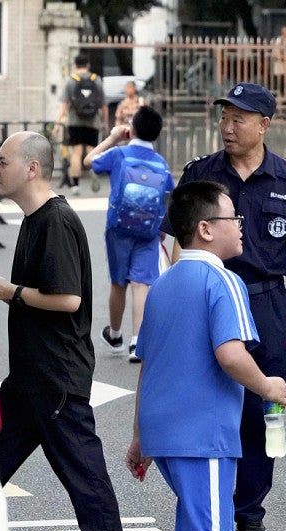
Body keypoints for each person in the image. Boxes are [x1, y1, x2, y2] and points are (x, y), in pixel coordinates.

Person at [0, 131, 139, 531]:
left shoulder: (57, 221)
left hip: (56, 380)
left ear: (32, 168)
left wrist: (8, 292)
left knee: (88, 485)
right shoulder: (34, 219)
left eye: (2, 162)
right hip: (28, 380)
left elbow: (68, 300)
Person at [127, 181, 286, 531]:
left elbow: (148, 364)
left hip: (166, 432)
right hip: (204, 436)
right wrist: (270, 385)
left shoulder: (167, 283)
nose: (240, 226)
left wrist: (139, 438)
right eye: (231, 219)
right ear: (205, 229)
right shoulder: (224, 282)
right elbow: (231, 354)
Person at [163, 82, 286, 531]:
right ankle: (197, 510)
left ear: (264, 125)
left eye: (239, 119)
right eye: (224, 117)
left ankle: (249, 509)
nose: (227, 127)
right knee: (202, 407)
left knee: (263, 407)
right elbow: (179, 243)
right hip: (210, 296)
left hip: (266, 302)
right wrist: (180, 299)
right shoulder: (201, 174)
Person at [84, 106, 176, 363]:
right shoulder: (161, 164)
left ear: (131, 129)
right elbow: (168, 197)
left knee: (119, 283)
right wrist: (161, 230)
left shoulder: (120, 154)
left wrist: (113, 137)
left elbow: (88, 161)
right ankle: (137, 342)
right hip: (149, 232)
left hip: (118, 229)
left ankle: (115, 335)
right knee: (141, 285)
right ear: (156, 135)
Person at [52, 54, 104, 196]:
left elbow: (64, 104)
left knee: (76, 152)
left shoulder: (71, 81)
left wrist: (58, 125)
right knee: (91, 150)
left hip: (75, 121)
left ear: (75, 65)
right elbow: (102, 104)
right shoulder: (96, 80)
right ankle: (93, 170)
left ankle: (75, 185)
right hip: (93, 121)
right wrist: (104, 123)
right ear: (88, 65)